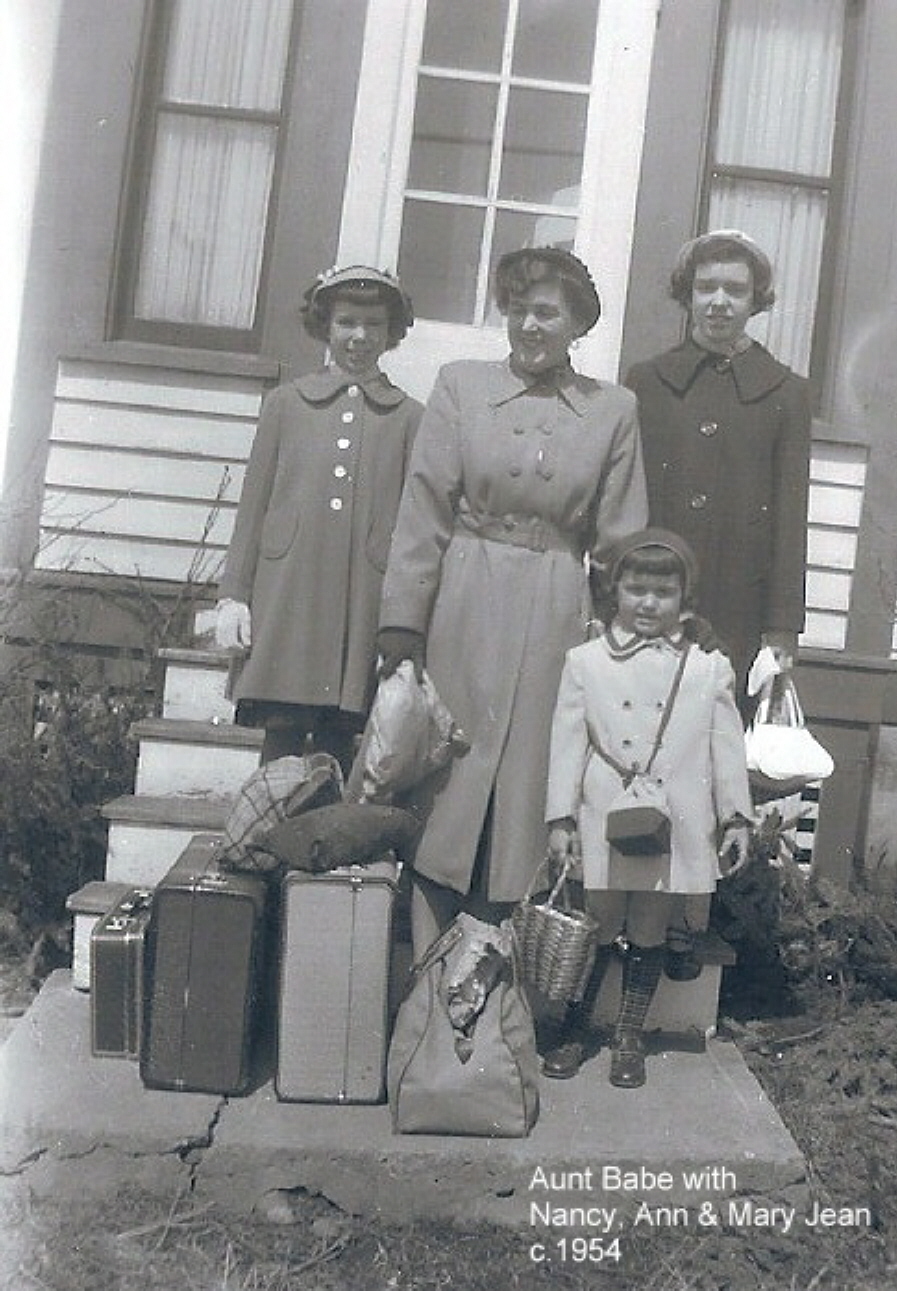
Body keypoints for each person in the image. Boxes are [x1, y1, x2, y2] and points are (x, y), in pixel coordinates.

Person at [378, 247, 648, 957]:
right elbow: (424, 509)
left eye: (547, 312)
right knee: (448, 773)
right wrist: (403, 621)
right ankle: (423, 967)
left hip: (557, 600)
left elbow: (619, 535)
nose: (530, 325)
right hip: (463, 597)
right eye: (519, 309)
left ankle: (500, 976)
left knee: (529, 777)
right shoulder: (459, 386)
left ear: (576, 323)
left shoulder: (612, 408)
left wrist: (619, 642)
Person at [624, 230, 811, 979]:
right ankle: (622, 928)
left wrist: (780, 628)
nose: (719, 302)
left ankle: (684, 930)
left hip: (732, 614)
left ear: (755, 301)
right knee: (633, 758)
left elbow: (791, 516)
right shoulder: (646, 381)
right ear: (686, 294)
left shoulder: (783, 393)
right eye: (706, 287)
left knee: (703, 770)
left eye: (735, 289)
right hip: (643, 606)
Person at [543, 529, 752, 1086]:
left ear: (685, 599)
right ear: (615, 592)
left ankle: (628, 1034)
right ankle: (573, 1026)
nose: (648, 603)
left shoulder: (708, 668)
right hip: (605, 814)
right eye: (636, 589)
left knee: (651, 925)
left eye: (663, 592)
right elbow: (568, 744)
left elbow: (725, 746)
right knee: (598, 923)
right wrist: (560, 817)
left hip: (675, 819)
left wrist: (735, 815)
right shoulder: (585, 662)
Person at [215, 266, 422, 771]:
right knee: (282, 725)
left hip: (361, 594)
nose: (359, 337)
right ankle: (265, 831)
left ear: (391, 333)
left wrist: (405, 616)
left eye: (374, 325)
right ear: (325, 325)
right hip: (287, 587)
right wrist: (234, 595)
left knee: (342, 728)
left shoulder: (410, 417)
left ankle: (327, 842)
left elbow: (417, 524)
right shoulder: (285, 405)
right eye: (347, 322)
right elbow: (255, 502)